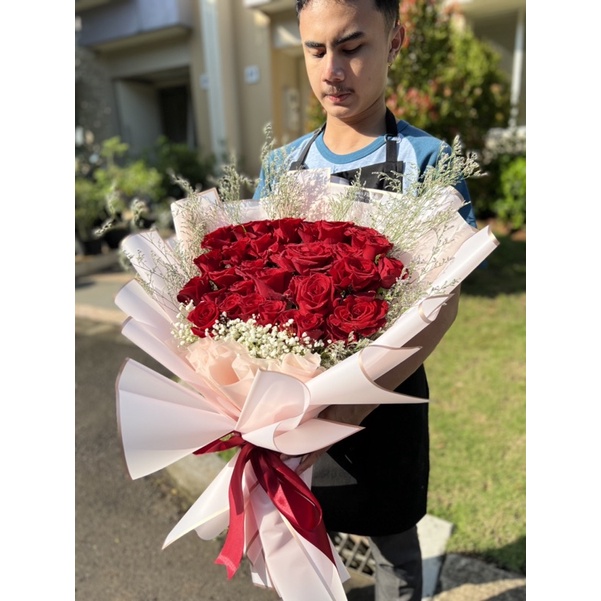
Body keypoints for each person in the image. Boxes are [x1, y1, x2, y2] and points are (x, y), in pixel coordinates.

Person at [253, 1, 477, 599]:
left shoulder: (427, 162)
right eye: (315, 50)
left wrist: (356, 404)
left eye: (352, 47)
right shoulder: (282, 167)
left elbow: (442, 302)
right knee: (303, 544)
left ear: (395, 40)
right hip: (296, 411)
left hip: (388, 404)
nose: (332, 70)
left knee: (394, 549)